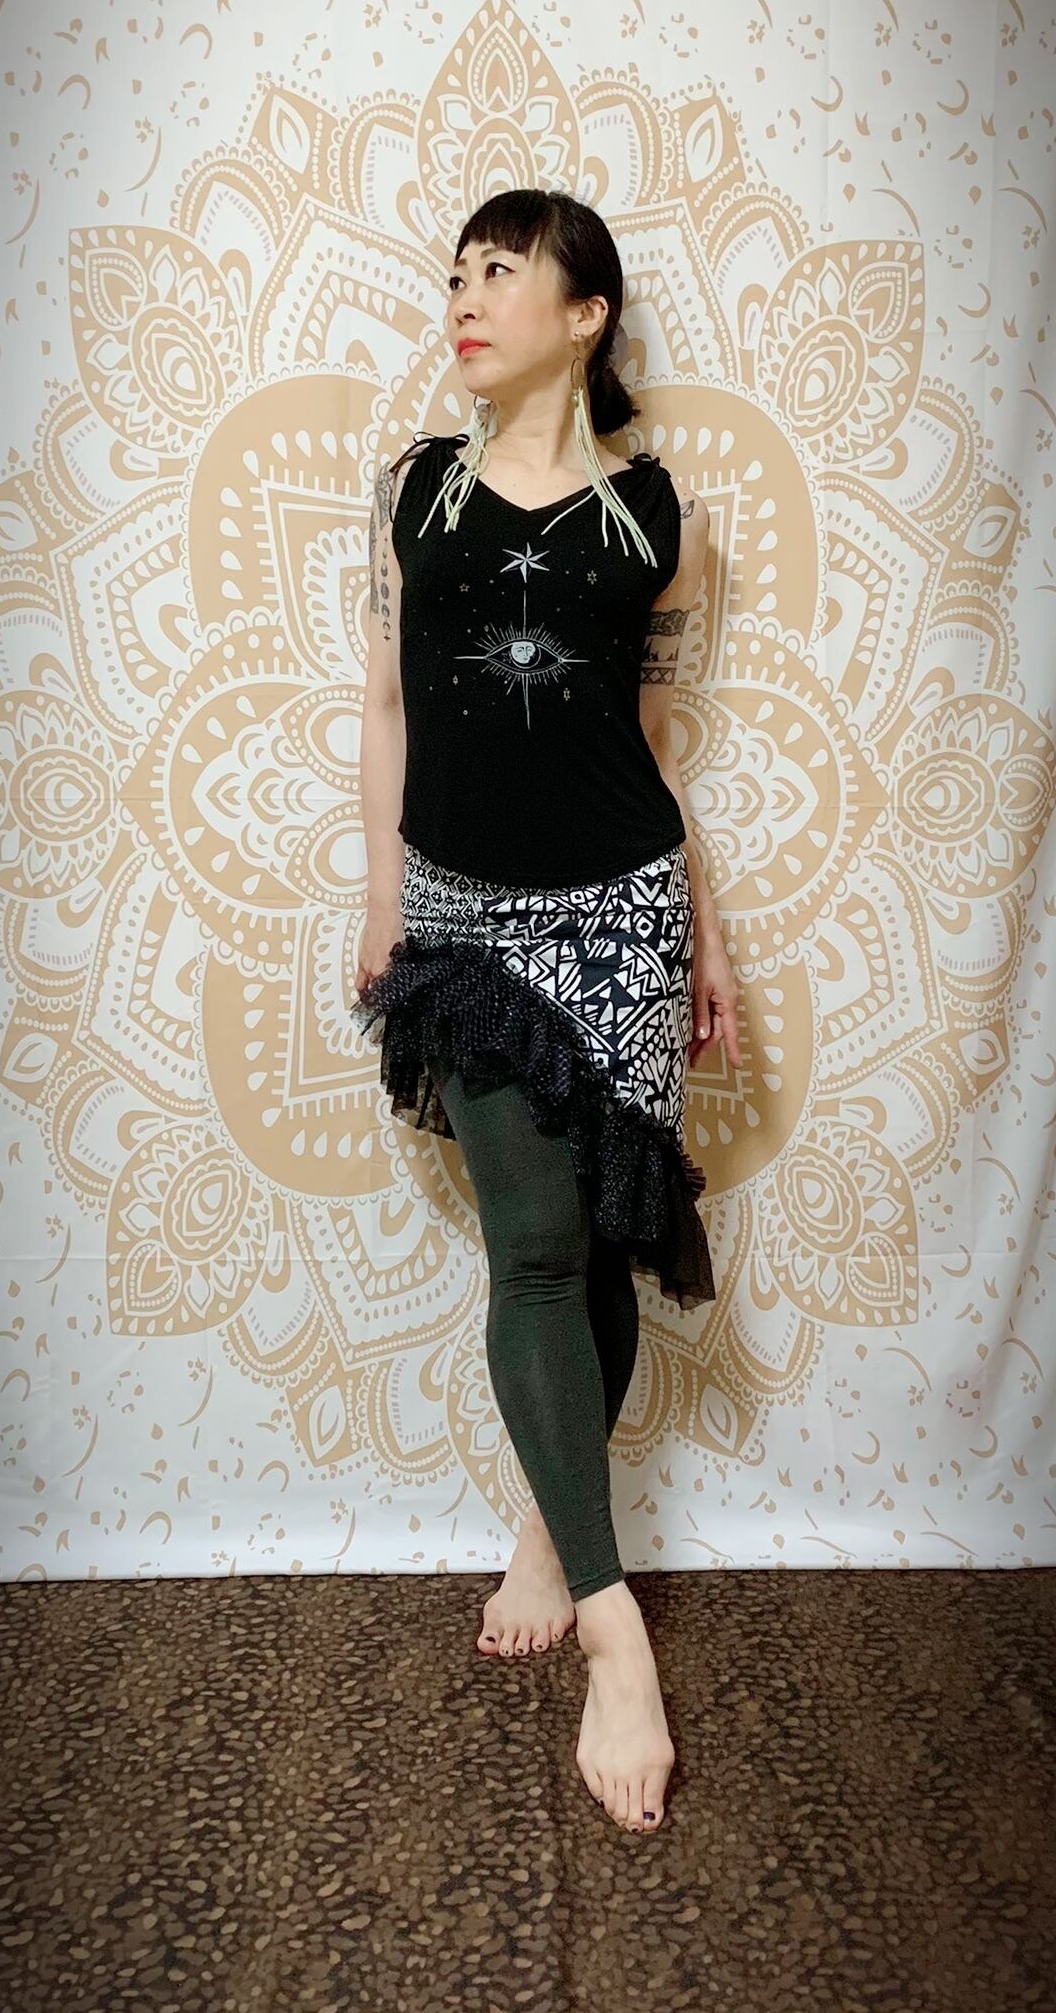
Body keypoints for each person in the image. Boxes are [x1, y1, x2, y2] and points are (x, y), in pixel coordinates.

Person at [350, 186, 742, 1836]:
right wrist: (384, 902)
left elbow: (646, 744)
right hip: (465, 917)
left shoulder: (656, 515)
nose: (465, 295)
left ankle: (546, 1527)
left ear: (586, 314)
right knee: (528, 1245)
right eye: (456, 272)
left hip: (623, 911)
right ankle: (614, 1626)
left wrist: (704, 932)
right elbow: (386, 708)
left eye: (501, 271)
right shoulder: (413, 493)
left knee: (593, 1247)